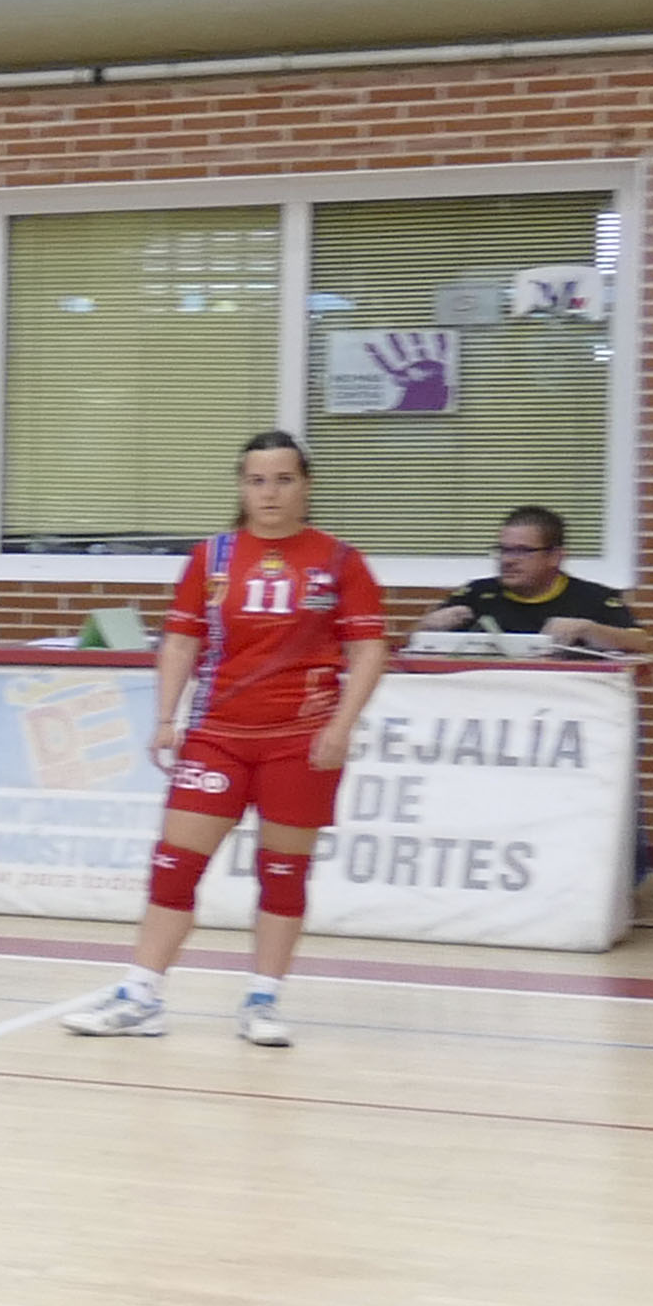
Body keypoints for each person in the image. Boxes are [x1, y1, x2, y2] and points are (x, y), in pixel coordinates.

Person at [60, 433, 391, 1050]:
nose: (270, 493)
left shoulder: (341, 562)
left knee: (283, 873)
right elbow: (181, 641)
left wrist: (341, 726)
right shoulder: (211, 559)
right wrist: (166, 717)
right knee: (174, 866)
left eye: (284, 480)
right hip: (218, 736)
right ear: (241, 489)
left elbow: (369, 649)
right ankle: (141, 993)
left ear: (306, 486)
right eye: (257, 481)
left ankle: (263, 999)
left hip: (300, 742)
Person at [418, 505, 653, 660]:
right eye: (503, 550)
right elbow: (412, 645)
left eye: (522, 551)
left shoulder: (592, 598)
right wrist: (426, 628)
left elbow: (641, 643)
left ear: (555, 557)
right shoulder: (475, 594)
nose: (508, 560)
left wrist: (589, 630)